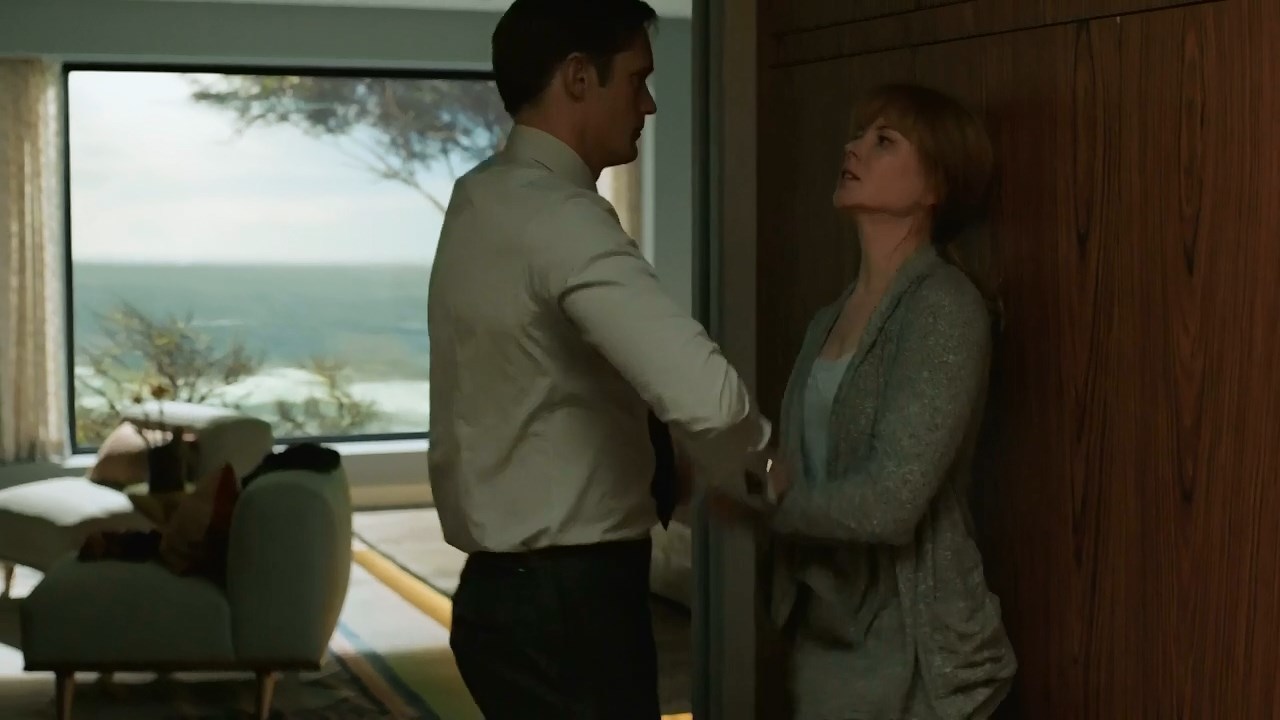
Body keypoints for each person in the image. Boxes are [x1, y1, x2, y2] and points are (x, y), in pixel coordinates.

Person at [426, 1, 771, 718]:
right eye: (638, 79)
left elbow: (539, 381)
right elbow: (711, 399)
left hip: (503, 597)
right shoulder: (560, 215)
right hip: (570, 610)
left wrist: (664, 461)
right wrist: (766, 474)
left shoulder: (479, 198)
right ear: (579, 78)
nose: (649, 104)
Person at [753, 83, 1018, 719]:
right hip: (827, 649)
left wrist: (769, 504)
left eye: (884, 141)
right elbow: (803, 466)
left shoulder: (944, 308)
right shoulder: (827, 320)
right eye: (858, 136)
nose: (853, 149)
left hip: (921, 664)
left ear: (935, 186)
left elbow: (892, 501)